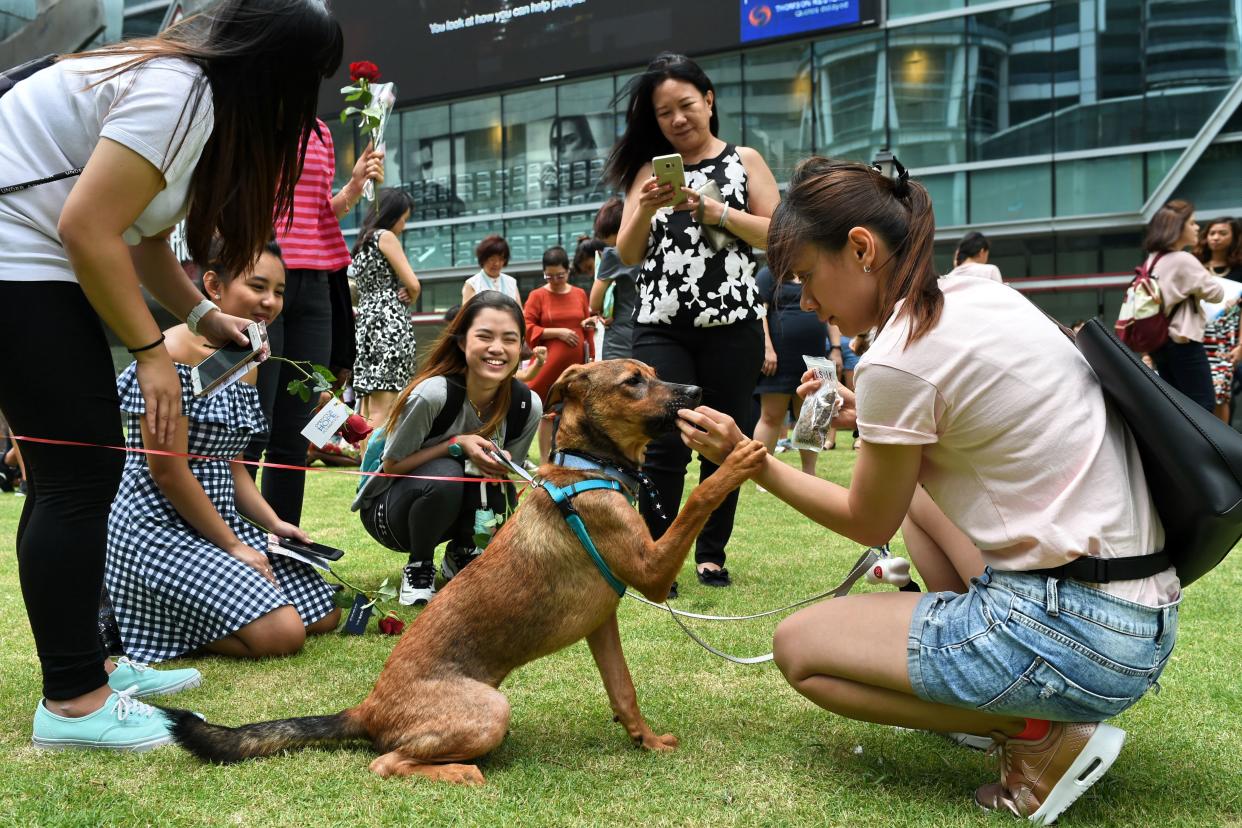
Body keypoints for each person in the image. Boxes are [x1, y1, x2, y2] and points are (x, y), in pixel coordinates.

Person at [676, 156, 1178, 822]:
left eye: (804, 277)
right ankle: (1011, 704)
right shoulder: (981, 295)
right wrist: (871, 412)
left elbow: (863, 518)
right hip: (1141, 621)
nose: (805, 302)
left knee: (801, 649)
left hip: (1071, 638)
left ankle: (1035, 733)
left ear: (860, 249)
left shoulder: (898, 357)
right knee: (915, 498)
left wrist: (752, 460)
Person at [0, 0, 343, 751]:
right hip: (15, 251)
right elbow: (86, 228)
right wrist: (154, 353)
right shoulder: (181, 90)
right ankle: (74, 704)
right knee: (80, 475)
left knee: (72, 472)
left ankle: (86, 671)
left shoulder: (192, 100)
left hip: (33, 253)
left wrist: (199, 316)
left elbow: (147, 240)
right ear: (274, 70)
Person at [107, 240, 340, 662]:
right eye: (258, 287)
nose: (270, 302)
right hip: (158, 530)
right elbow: (168, 474)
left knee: (324, 612)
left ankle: (180, 613)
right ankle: (138, 620)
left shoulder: (245, 359)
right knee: (285, 634)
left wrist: (274, 523)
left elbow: (233, 467)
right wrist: (234, 546)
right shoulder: (170, 353)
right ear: (213, 286)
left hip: (215, 526)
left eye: (280, 291)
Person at [607, 52, 779, 589]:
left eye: (686, 105)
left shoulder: (744, 160)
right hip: (661, 323)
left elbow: (776, 235)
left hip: (733, 323)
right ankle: (659, 554)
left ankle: (711, 553)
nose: (678, 119)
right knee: (663, 442)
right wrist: (644, 208)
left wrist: (716, 213)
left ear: (709, 100)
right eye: (664, 113)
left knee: (723, 440)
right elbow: (627, 253)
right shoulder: (646, 173)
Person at [353, 292, 541, 606]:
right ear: (462, 342)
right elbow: (392, 467)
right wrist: (455, 445)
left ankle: (463, 553)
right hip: (390, 515)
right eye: (484, 336)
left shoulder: (526, 404)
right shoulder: (433, 394)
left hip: (454, 506)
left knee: (492, 476)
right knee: (450, 470)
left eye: (510, 339)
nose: (497, 348)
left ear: (521, 346)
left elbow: (508, 486)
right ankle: (419, 567)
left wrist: (504, 464)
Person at [245, 116, 384, 526]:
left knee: (296, 431)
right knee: (256, 427)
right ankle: (239, 552)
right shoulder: (251, 121)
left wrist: (355, 185)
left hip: (318, 283)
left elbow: (319, 214)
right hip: (266, 278)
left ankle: (284, 548)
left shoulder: (320, 131)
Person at [350, 187, 421, 434]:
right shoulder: (385, 237)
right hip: (388, 323)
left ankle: (364, 470)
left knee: (367, 408)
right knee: (385, 406)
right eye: (404, 219)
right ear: (394, 215)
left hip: (366, 321)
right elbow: (413, 283)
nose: (404, 225)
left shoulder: (362, 242)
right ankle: (375, 471)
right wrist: (411, 293)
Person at [1147, 199, 1224, 413]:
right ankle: (1200, 448)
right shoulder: (1183, 259)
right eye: (1192, 223)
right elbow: (1217, 294)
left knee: (1177, 409)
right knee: (1203, 407)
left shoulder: (1152, 260)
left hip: (1159, 343)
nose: (1197, 227)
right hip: (1183, 342)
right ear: (1177, 228)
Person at [524, 246, 596, 461]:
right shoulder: (538, 295)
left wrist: (591, 355)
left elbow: (587, 328)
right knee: (546, 412)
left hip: (575, 364)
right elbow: (527, 325)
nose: (555, 279)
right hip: (547, 364)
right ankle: (546, 459)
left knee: (573, 409)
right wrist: (558, 332)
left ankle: (569, 455)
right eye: (549, 275)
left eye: (560, 275)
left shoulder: (579, 294)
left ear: (568, 271)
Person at [753, 266, 826, 477]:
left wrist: (837, 349)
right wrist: (767, 348)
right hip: (780, 355)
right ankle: (761, 473)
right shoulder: (768, 274)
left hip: (814, 354)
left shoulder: (814, 271)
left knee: (810, 415)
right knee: (771, 415)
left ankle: (809, 473)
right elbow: (760, 314)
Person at [1194, 217, 1242, 422]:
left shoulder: (1240, 270)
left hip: (1226, 339)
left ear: (1234, 238)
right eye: (1212, 233)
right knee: (1198, 391)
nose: (1215, 238)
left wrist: (1241, 344)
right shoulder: (1195, 266)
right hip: (1196, 334)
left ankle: (1222, 446)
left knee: (1221, 392)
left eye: (1222, 233)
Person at [589, 197, 640, 361]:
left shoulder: (613, 254)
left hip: (621, 334)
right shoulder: (650, 246)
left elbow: (594, 303)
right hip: (650, 331)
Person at [462, 234, 520, 305]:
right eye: (492, 259)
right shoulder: (472, 284)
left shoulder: (511, 282)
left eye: (501, 259)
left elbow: (519, 312)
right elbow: (467, 314)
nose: (496, 263)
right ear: (483, 258)